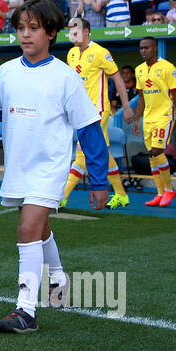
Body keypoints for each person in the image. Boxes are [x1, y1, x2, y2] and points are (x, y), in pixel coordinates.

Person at [0, 0, 109, 334]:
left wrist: (99, 182)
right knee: (37, 228)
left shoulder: (66, 78)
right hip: (19, 165)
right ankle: (58, 278)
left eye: (33, 28)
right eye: (20, 28)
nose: (25, 35)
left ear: (52, 33)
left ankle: (26, 309)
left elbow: (89, 129)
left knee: (28, 228)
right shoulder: (5, 72)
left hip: (50, 166)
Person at [62, 18, 133, 208]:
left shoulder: (101, 52)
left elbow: (117, 79)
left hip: (97, 112)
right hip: (79, 112)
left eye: (75, 31)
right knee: (103, 153)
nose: (72, 35)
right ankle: (121, 194)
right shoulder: (71, 54)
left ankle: (62, 197)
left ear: (86, 32)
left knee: (82, 153)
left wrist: (126, 106)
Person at [131, 37, 176, 207]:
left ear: (155, 48)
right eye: (141, 48)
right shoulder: (139, 70)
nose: (143, 51)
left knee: (157, 151)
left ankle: (169, 189)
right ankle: (160, 192)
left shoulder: (168, 68)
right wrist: (137, 118)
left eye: (146, 48)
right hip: (148, 118)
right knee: (152, 156)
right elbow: (141, 97)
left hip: (164, 115)